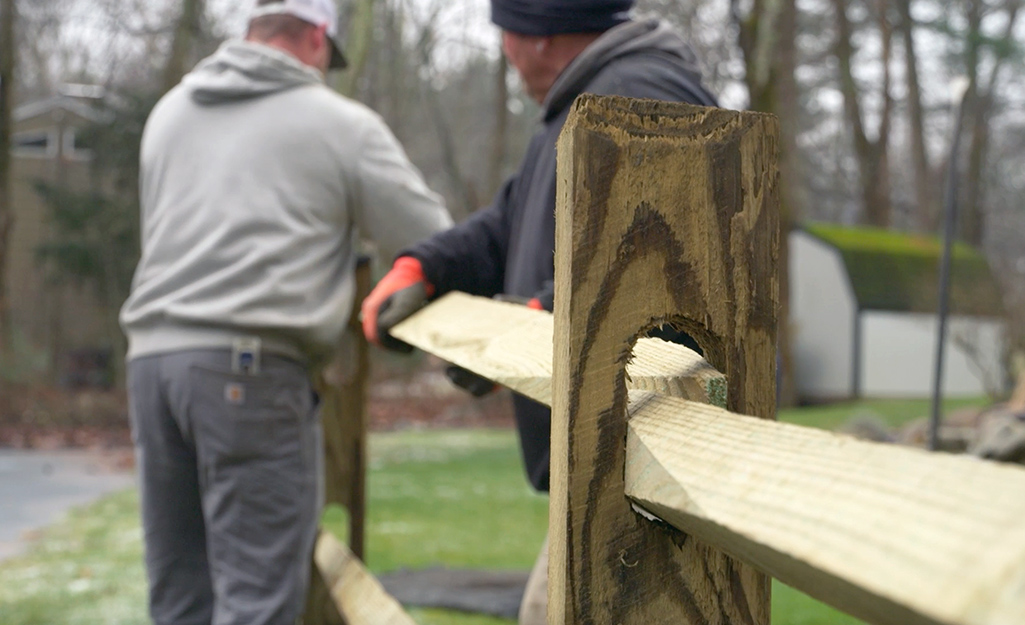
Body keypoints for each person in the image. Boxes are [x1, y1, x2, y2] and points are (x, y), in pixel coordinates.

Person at [360, 1, 717, 623]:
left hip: (641, 468)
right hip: (607, 467)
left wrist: (528, 327)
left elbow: (654, 260)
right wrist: (426, 265)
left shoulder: (638, 94)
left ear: (540, 38)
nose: (505, 49)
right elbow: (508, 222)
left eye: (507, 32)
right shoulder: (586, 100)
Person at [120, 0, 452, 622]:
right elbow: (431, 235)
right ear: (319, 37)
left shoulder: (169, 114)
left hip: (152, 368)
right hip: (249, 372)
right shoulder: (337, 123)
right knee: (258, 602)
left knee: (179, 597)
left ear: (253, 29)